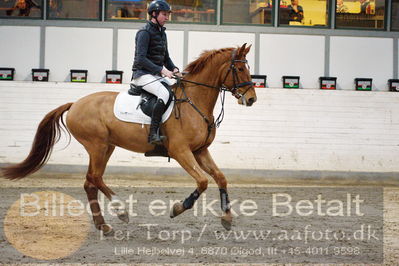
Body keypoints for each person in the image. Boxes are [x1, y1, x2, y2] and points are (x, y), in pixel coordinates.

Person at [131, 0, 180, 145]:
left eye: (167, 15)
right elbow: (140, 59)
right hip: (142, 75)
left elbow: (166, 58)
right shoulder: (144, 32)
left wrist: (174, 69)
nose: (167, 18)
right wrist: (162, 70)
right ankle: (153, 134)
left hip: (155, 76)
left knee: (174, 91)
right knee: (164, 94)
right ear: (154, 14)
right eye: (164, 14)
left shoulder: (162, 34)